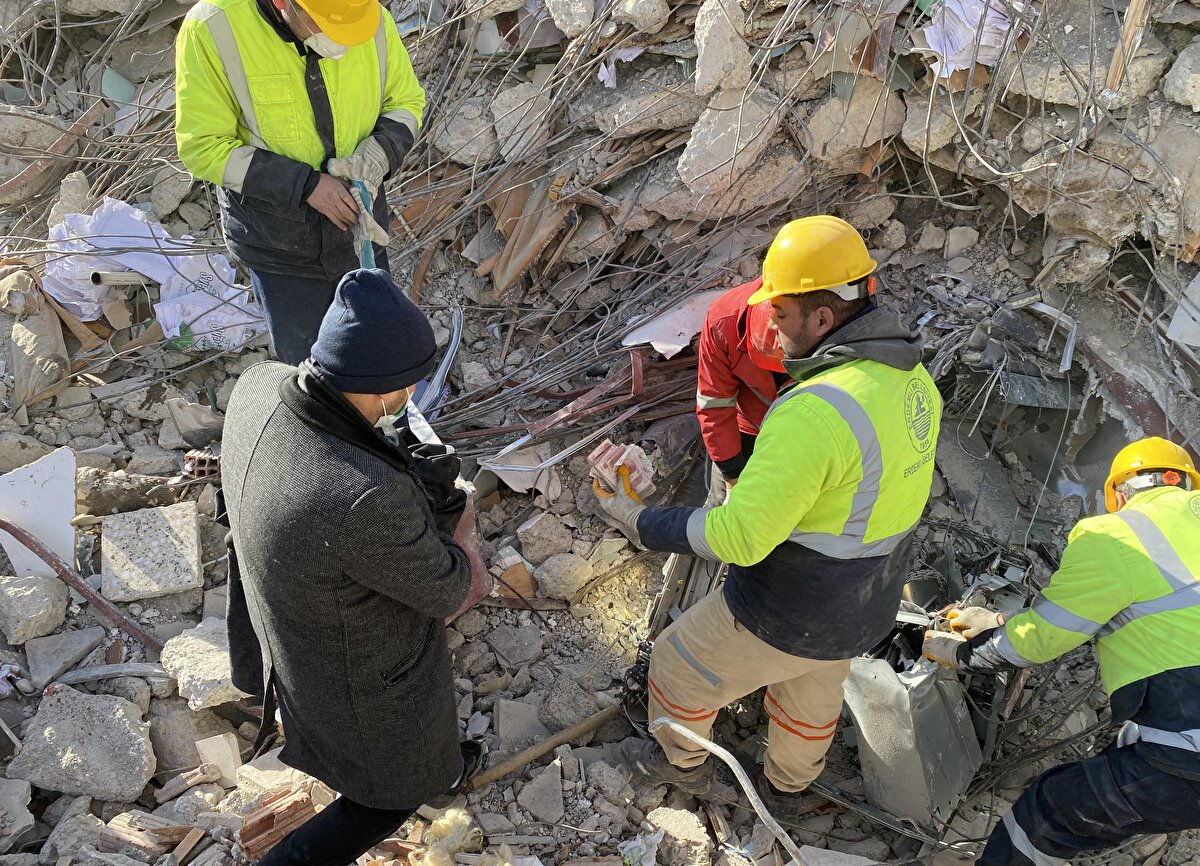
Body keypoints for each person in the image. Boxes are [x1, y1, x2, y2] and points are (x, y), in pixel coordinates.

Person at [596, 215, 941, 817]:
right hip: (868, 601)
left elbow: (741, 538)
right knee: (812, 685)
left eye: (780, 314)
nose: (772, 328)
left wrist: (640, 520)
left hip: (792, 604)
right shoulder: (911, 380)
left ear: (823, 319)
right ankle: (788, 788)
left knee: (676, 666)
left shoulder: (813, 412)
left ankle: (682, 766)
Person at [221, 268, 492, 866]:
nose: (410, 399)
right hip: (341, 665)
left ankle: (440, 765)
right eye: (408, 387)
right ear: (384, 388)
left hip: (276, 620)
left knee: (408, 758)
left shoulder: (259, 385)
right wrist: (453, 510)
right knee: (385, 800)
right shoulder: (365, 498)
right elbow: (451, 589)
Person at [922, 436, 1200, 866]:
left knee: (1046, 815)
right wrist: (1000, 620)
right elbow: (1149, 608)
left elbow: (1043, 638)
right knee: (1123, 761)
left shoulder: (1117, 534)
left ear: (1118, 494)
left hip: (1189, 751)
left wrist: (964, 655)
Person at [175, 0, 425, 363]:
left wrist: (378, 155)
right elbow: (202, 146)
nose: (342, 41)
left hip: (360, 230)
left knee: (376, 356)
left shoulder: (364, 14)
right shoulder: (213, 28)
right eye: (327, 26)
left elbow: (406, 101)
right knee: (310, 366)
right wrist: (305, 185)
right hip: (281, 249)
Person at [696, 280, 787, 505]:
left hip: (802, 432)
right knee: (721, 509)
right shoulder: (723, 320)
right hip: (746, 427)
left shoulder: (835, 323)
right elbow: (714, 405)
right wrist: (732, 476)